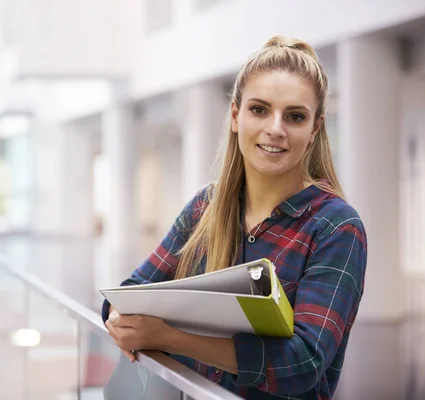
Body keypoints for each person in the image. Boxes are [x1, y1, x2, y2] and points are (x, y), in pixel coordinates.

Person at [102, 35, 367, 399]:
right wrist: (122, 319)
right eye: (259, 109)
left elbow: (301, 364)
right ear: (235, 116)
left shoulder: (336, 228)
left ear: (315, 129)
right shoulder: (205, 207)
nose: (276, 128)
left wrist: (167, 336)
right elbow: (127, 294)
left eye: (295, 116)